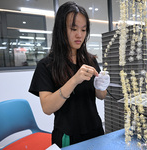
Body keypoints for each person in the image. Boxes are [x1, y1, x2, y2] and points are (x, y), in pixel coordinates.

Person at [29, 1, 110, 148]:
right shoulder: (46, 65)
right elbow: (47, 108)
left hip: (96, 131)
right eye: (73, 29)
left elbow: (101, 96)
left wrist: (101, 85)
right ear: (61, 29)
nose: (79, 35)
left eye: (84, 30)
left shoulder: (90, 60)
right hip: (68, 135)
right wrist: (74, 80)